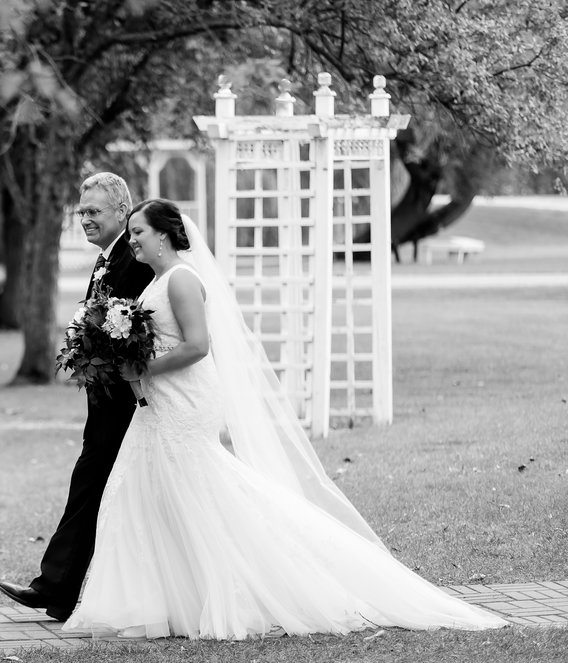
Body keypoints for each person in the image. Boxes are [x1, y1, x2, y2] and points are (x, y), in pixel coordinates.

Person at [62, 199, 507, 639]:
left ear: (162, 234)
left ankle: (263, 581)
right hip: (158, 403)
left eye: (138, 232)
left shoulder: (180, 280)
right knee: (144, 492)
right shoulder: (155, 282)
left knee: (197, 493)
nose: (133, 241)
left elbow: (199, 345)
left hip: (186, 403)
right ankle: (162, 602)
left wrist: (141, 369)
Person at [0, 173, 154, 621]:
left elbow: (142, 330)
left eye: (93, 212)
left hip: (127, 405)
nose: (84, 219)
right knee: (93, 490)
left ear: (122, 211)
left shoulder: (134, 258)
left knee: (93, 488)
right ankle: (61, 592)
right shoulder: (109, 257)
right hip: (105, 401)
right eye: (81, 212)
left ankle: (56, 588)